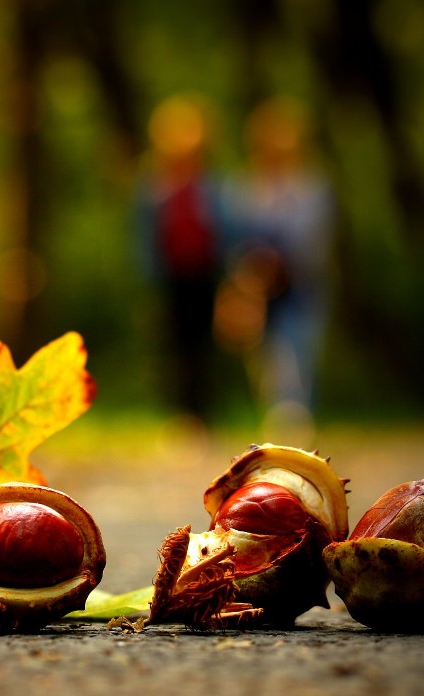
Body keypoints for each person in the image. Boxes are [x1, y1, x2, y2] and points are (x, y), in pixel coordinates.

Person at [217, 96, 336, 442]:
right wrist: (248, 276)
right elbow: (232, 239)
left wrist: (281, 264)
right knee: (265, 359)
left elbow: (314, 241)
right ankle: (279, 421)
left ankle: (297, 424)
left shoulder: (311, 188)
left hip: (301, 286)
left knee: (299, 351)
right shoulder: (241, 188)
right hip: (255, 289)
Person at [134, 94, 226, 421]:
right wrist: (149, 271)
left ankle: (204, 413)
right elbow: (146, 234)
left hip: (205, 273)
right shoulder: (155, 184)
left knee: (204, 344)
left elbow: (222, 229)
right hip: (171, 276)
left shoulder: (211, 184)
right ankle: (181, 413)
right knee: (174, 344)